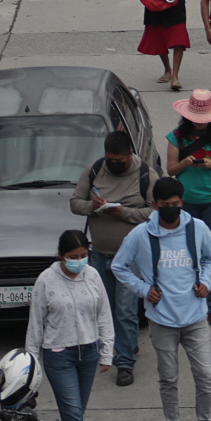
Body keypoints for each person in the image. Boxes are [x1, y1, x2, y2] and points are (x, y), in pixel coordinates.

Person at [114, 176, 211, 421]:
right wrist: (143, 289)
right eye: (166, 206)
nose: (172, 210)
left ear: (182, 203)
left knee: (205, 378)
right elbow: (119, 266)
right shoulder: (140, 235)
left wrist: (206, 282)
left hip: (195, 318)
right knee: (168, 380)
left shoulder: (197, 229)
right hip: (162, 321)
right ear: (154, 205)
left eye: (176, 205)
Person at [70, 130, 152, 387]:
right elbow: (75, 203)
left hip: (130, 260)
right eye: (110, 159)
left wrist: (123, 213)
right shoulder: (94, 170)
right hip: (99, 256)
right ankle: (119, 346)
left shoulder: (145, 174)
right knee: (104, 310)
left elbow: (155, 212)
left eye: (120, 160)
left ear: (130, 154)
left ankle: (125, 362)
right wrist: (93, 207)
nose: (115, 164)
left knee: (126, 311)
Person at [25, 230, 113, 421]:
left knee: (74, 416)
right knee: (73, 417)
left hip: (89, 353)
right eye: (74, 256)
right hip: (59, 355)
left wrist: (106, 351)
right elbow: (36, 324)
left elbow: (104, 314)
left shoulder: (92, 275)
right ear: (61, 256)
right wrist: (31, 365)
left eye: (84, 255)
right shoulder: (46, 280)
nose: (79, 261)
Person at [164, 90, 211, 325]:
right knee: (187, 253)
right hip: (188, 202)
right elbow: (170, 170)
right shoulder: (176, 137)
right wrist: (185, 162)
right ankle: (190, 300)